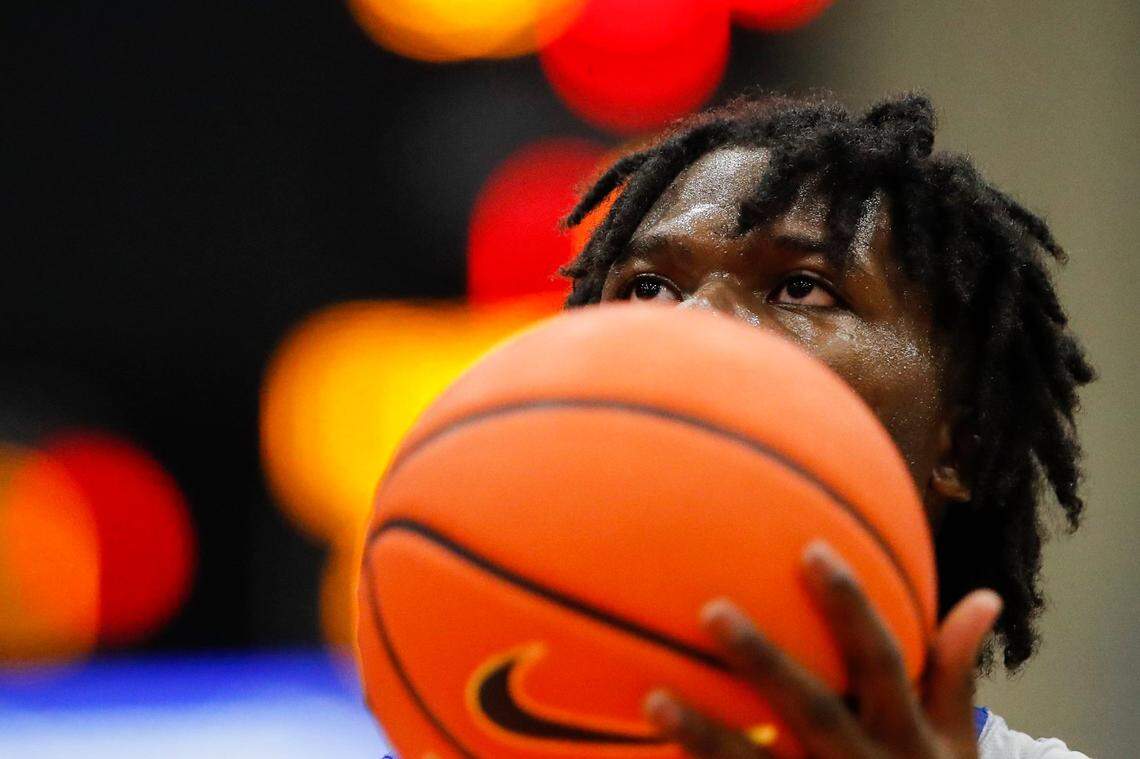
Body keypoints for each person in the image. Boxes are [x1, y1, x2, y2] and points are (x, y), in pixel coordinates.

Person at [560, 91, 1093, 759]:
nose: (691, 324)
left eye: (801, 288)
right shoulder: (451, 724)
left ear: (962, 441)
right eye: (648, 288)